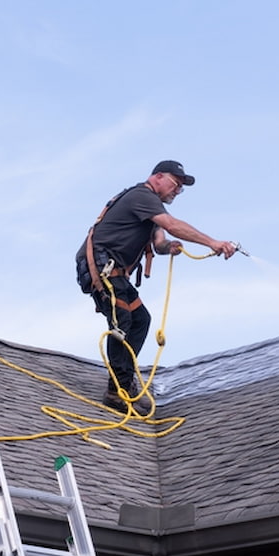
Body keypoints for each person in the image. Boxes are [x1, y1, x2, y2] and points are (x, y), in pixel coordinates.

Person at [76, 160, 237, 413]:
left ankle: (124, 384)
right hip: (102, 266)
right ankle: (116, 392)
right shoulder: (141, 195)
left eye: (181, 188)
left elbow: (160, 241)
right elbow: (172, 225)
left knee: (140, 319)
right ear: (158, 177)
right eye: (176, 184)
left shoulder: (151, 208)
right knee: (123, 321)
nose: (177, 191)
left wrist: (168, 247)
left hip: (114, 271)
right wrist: (212, 242)